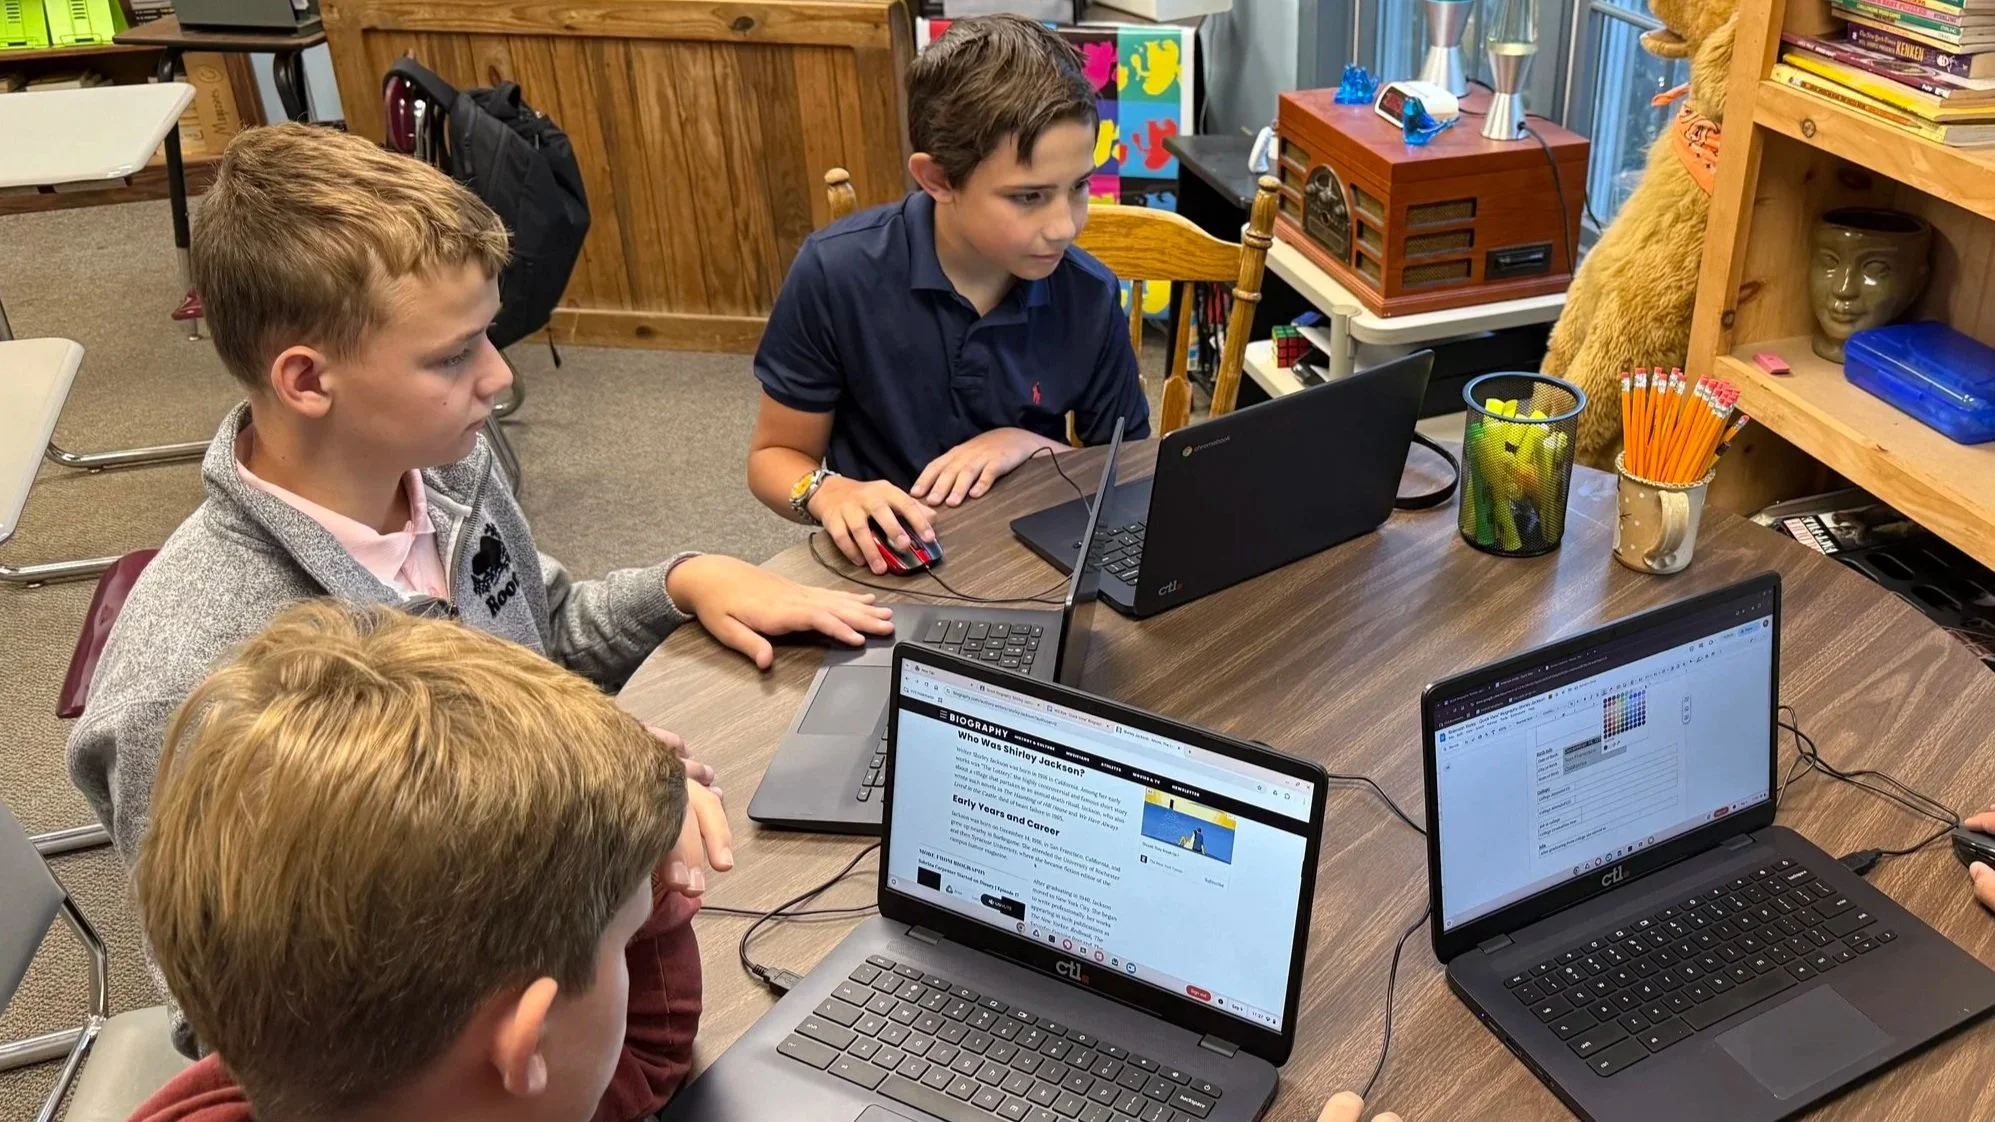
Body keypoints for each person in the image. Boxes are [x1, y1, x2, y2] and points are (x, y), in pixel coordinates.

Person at [67, 122, 880, 1047]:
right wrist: (572, 820)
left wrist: (679, 583)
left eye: (488, 335)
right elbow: (228, 1018)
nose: (497, 376)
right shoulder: (195, 680)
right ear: (306, 379)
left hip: (562, 931)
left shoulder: (441, 465)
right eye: (453, 356)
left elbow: (543, 633)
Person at [125, 602, 719, 1122]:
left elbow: (636, 1061)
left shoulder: (310, 1064)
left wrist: (624, 846)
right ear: (529, 1043)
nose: (635, 945)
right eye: (629, 939)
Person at [747, 14, 1150, 573]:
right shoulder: (835, 272)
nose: (1066, 226)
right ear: (937, 179)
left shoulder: (1090, 294)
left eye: (1079, 186)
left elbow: (1127, 472)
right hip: (884, 564)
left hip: (1035, 563)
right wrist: (831, 493)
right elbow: (773, 458)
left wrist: (1026, 445)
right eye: (1029, 197)